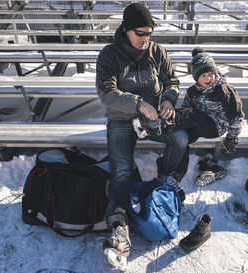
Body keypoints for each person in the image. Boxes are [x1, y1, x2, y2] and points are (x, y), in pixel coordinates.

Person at [95, 3, 188, 271]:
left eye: (149, 33)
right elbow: (106, 92)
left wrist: (168, 100)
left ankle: (163, 181)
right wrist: (138, 104)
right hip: (122, 119)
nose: (145, 38)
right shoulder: (109, 54)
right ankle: (119, 227)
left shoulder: (156, 51)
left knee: (180, 139)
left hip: (154, 118)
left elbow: (172, 81)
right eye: (140, 33)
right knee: (121, 171)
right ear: (126, 29)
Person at [134, 47, 244, 185]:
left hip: (216, 126)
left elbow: (237, 116)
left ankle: (154, 123)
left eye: (210, 74)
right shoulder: (193, 91)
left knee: (194, 115)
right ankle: (175, 176)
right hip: (198, 124)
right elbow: (186, 110)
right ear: (196, 77)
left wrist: (231, 139)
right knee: (182, 139)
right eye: (203, 76)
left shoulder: (224, 90)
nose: (208, 78)